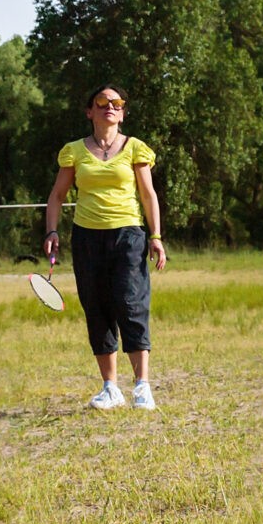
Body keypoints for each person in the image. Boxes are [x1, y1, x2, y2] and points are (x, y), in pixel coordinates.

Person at [42, 86, 167, 411]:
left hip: (128, 235)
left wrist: (155, 236)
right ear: (90, 111)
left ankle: (142, 387)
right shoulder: (74, 151)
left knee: (130, 302)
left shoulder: (135, 148)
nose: (109, 107)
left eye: (117, 103)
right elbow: (57, 196)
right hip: (87, 237)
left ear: (122, 114)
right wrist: (52, 230)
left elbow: (148, 194)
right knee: (96, 307)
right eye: (102, 102)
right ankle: (110, 388)